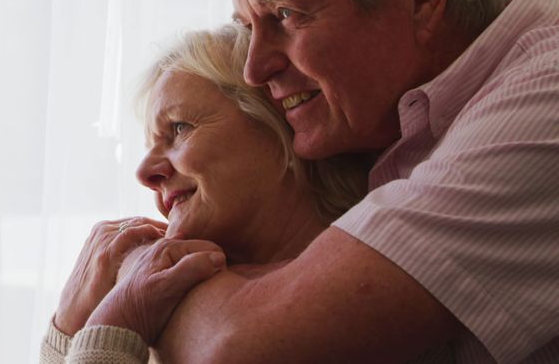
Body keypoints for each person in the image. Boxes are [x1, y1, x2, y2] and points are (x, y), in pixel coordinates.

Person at [79, 0, 559, 363]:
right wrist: (76, 323)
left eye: (285, 15)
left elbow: (238, 346)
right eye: (248, 28)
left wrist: (132, 281)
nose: (254, 69)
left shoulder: (541, 98)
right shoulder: (411, 114)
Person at [41, 25, 375, 363]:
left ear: (283, 132)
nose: (144, 173)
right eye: (150, 144)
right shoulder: (167, 288)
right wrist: (65, 330)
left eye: (179, 128)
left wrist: (113, 323)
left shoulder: (356, 306)